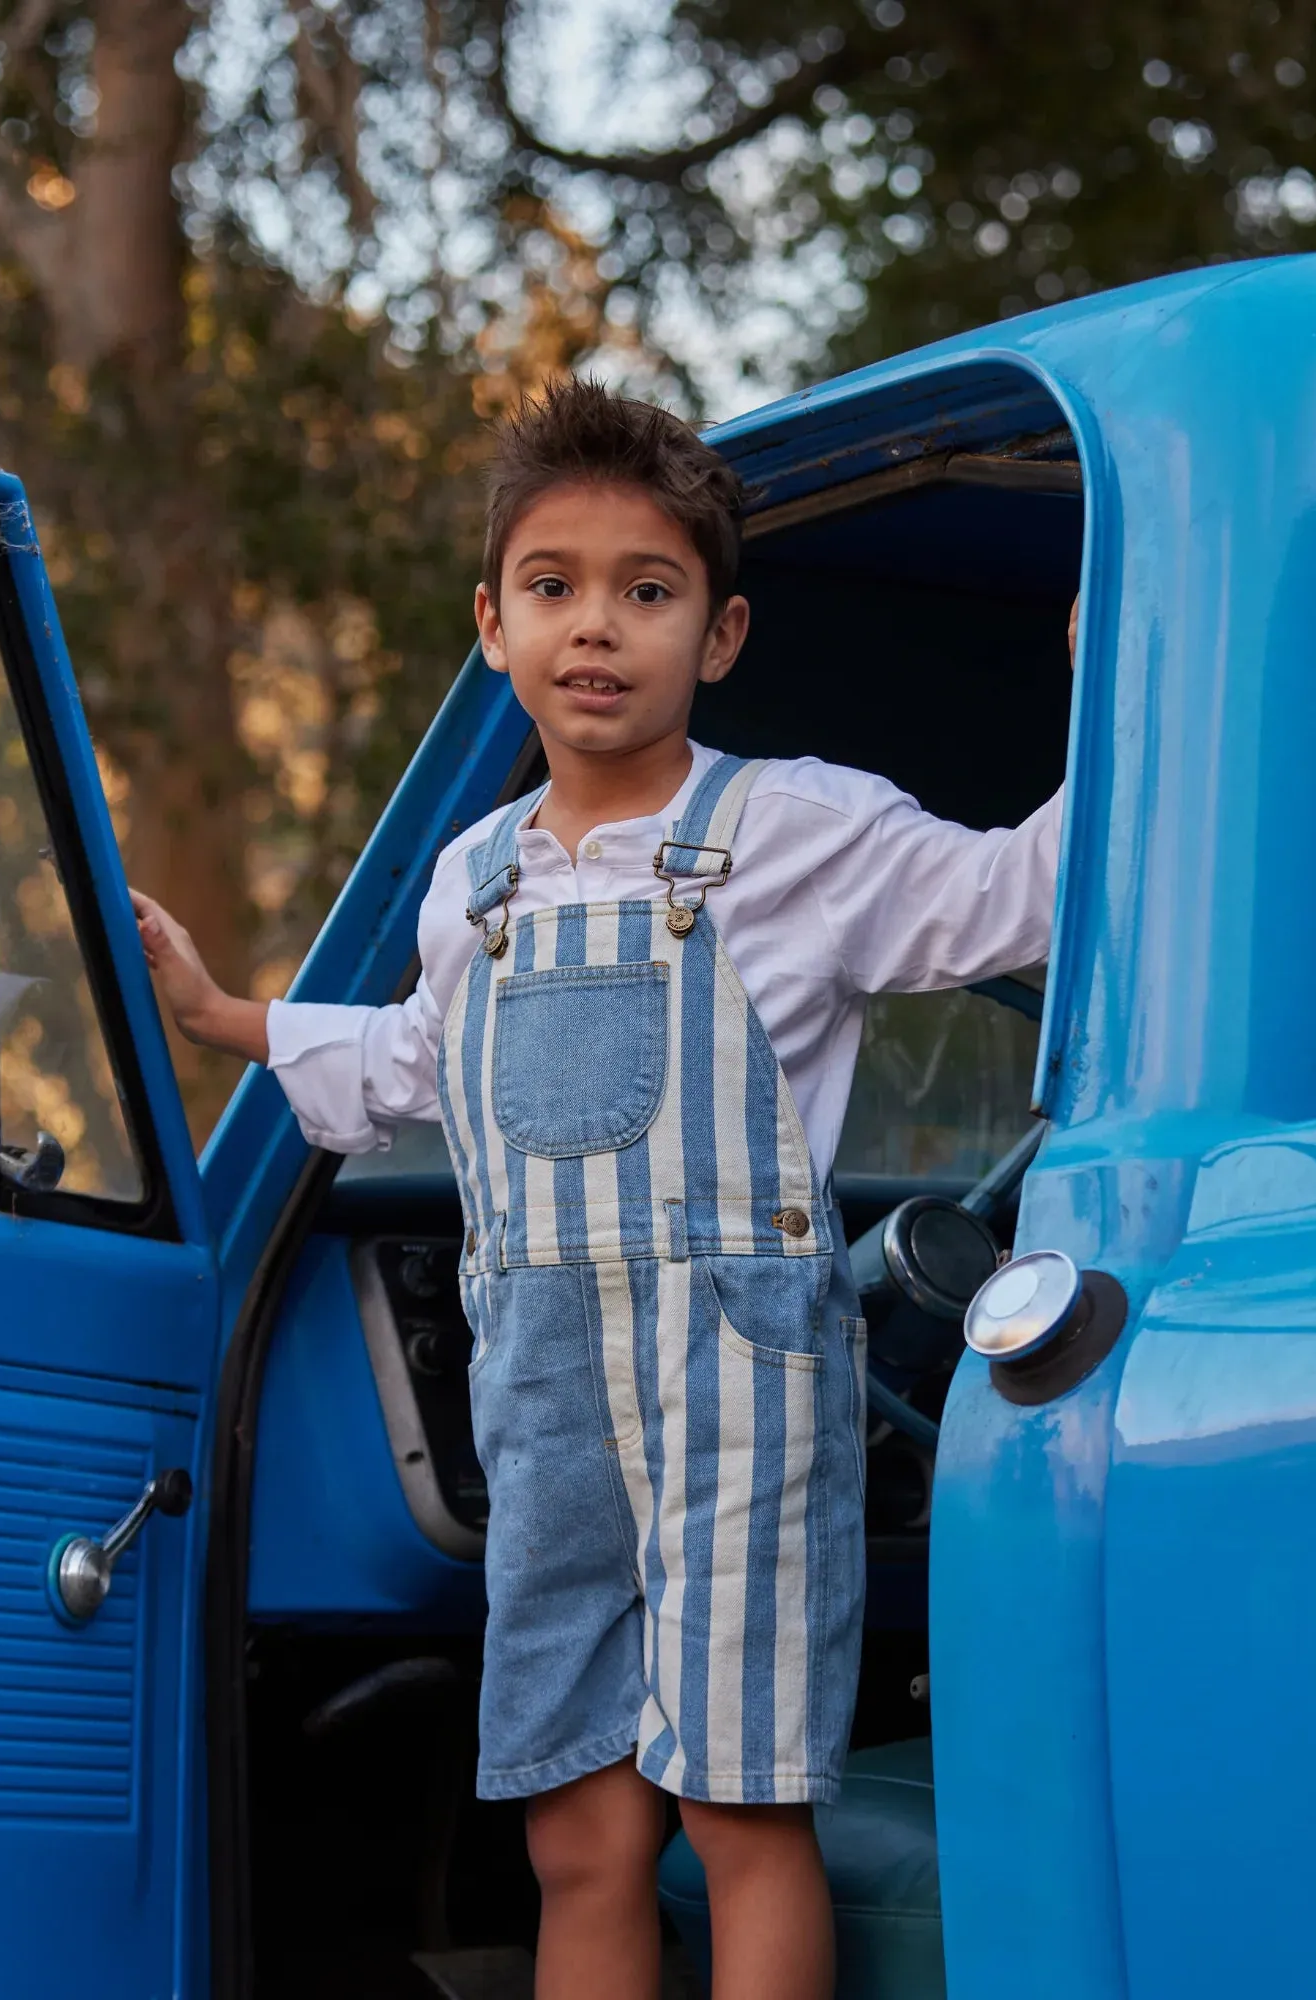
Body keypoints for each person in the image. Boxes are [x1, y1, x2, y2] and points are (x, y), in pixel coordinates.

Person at [132, 379, 1067, 2000]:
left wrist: (1118, 702)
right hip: (546, 1407)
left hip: (745, 1396)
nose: (597, 628)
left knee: (739, 1808)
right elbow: (417, 1059)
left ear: (719, 634)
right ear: (493, 624)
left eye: (648, 591)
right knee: (577, 1825)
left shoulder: (796, 831)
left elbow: (1008, 897)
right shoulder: (471, 879)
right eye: (555, 587)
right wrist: (231, 1018)